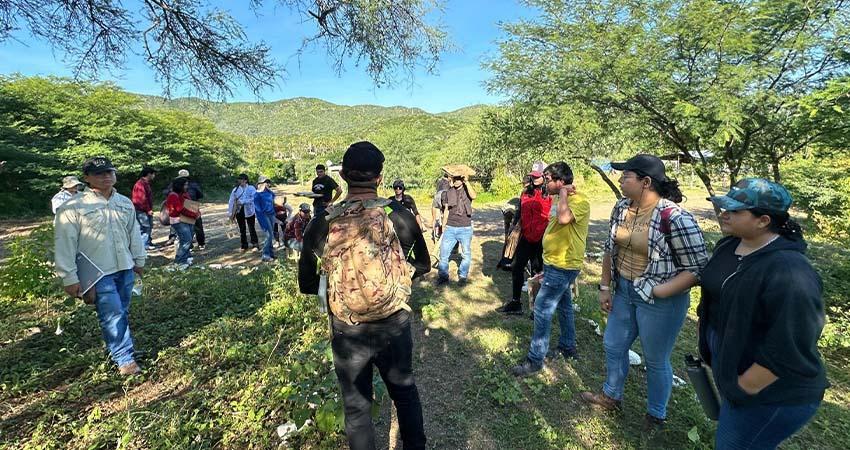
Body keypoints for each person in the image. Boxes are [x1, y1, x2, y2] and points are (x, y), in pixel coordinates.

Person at [299, 141, 430, 450]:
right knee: (405, 393)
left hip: (347, 329)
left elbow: (307, 284)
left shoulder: (322, 223)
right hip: (394, 324)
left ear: (343, 175)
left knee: (357, 408)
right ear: (380, 178)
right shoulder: (399, 215)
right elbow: (423, 263)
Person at [580, 154, 708, 432]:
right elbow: (608, 248)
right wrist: (605, 287)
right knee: (613, 345)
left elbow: (697, 269)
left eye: (626, 176)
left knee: (655, 358)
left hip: (660, 300)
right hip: (624, 291)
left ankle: (655, 415)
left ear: (645, 182)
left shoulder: (674, 217)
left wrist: (660, 291)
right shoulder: (621, 207)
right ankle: (610, 395)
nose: (620, 179)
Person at [698, 179, 828, 449]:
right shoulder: (730, 245)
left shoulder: (790, 272)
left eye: (734, 211)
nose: (724, 214)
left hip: (771, 391)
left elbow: (790, 345)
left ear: (763, 220)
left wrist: (743, 387)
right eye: (724, 208)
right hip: (735, 366)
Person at [53, 156, 146, 375]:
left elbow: (134, 233)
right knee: (112, 313)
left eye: (109, 172)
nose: (106, 177)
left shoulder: (123, 202)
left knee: (121, 310)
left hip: (124, 266)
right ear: (87, 178)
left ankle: (119, 350)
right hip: (97, 272)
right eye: (99, 174)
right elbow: (64, 243)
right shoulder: (72, 207)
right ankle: (125, 360)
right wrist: (69, 277)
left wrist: (139, 261)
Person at [511, 162, 590, 376]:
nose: (545, 183)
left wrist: (563, 194)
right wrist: (548, 266)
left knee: (542, 308)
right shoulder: (558, 199)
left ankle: (535, 359)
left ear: (561, 182)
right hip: (555, 263)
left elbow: (564, 219)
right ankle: (567, 346)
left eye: (548, 179)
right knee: (564, 306)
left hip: (564, 264)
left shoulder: (579, 201)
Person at [497, 163, 551, 315]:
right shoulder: (525, 193)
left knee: (537, 271)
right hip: (526, 236)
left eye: (538, 176)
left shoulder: (550, 195)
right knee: (517, 266)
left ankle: (537, 307)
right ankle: (516, 302)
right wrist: (513, 230)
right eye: (532, 175)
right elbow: (519, 213)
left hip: (542, 239)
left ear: (545, 177)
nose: (534, 178)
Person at [436, 171, 476, 284]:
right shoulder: (448, 193)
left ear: (462, 179)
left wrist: (467, 182)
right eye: (455, 178)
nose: (456, 181)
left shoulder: (468, 191)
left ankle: (463, 276)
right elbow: (446, 210)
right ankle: (443, 277)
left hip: (465, 228)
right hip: (450, 227)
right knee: (443, 254)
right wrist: (443, 227)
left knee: (466, 254)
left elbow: (474, 196)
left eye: (459, 178)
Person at [166, 177, 199, 269]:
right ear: (180, 186)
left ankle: (186, 257)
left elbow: (189, 203)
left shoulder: (181, 194)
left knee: (187, 239)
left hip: (184, 220)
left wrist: (196, 211)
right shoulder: (173, 195)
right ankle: (179, 261)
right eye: (185, 185)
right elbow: (180, 209)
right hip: (178, 221)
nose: (187, 186)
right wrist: (194, 214)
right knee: (186, 240)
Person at [227, 174, 260, 252]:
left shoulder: (251, 188)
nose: (240, 181)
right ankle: (244, 245)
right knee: (242, 229)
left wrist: (243, 201)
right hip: (239, 210)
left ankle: (255, 244)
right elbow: (231, 201)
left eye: (241, 179)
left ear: (245, 180)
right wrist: (230, 213)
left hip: (249, 210)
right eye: (239, 179)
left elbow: (254, 198)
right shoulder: (235, 190)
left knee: (251, 227)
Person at [179, 169, 207, 251]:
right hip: (192, 204)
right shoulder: (193, 184)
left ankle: (189, 245)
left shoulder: (176, 184)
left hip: (182, 205)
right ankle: (201, 244)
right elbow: (200, 194)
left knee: (186, 226)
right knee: (198, 226)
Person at [131, 167, 157, 250]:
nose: (154, 175)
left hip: (144, 210)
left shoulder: (145, 183)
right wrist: (148, 210)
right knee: (145, 227)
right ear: (149, 174)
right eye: (153, 174)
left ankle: (148, 242)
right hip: (141, 210)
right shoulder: (140, 184)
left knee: (148, 226)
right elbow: (141, 199)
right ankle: (143, 246)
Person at [254, 176, 277, 262]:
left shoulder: (269, 192)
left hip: (271, 214)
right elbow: (258, 209)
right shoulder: (257, 194)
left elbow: (274, 199)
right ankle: (265, 255)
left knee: (271, 235)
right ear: (260, 184)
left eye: (268, 182)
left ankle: (271, 253)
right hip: (263, 216)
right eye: (265, 182)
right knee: (268, 235)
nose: (268, 184)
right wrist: (263, 217)